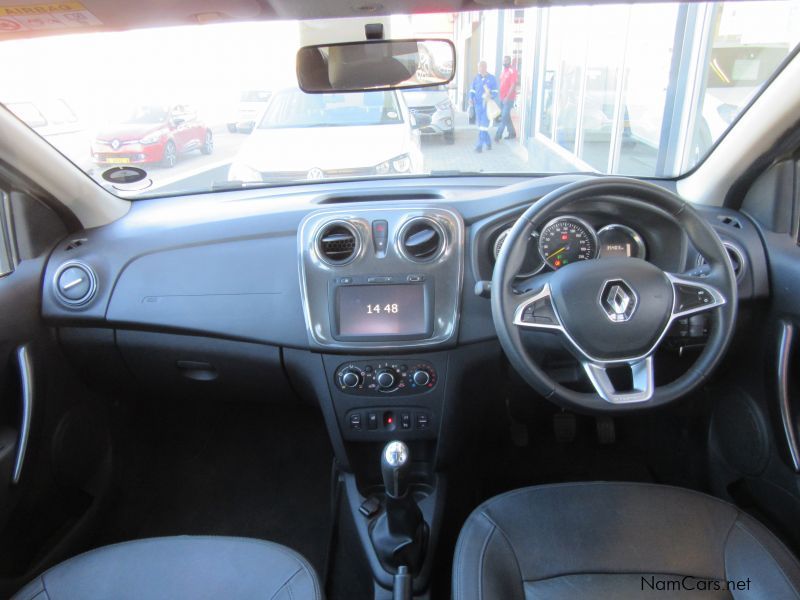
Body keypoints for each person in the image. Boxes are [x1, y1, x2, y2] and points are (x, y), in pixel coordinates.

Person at [469, 60, 499, 153]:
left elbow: (496, 91)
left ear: (485, 67)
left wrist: (490, 96)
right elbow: (472, 90)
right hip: (477, 106)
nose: (479, 69)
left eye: (481, 67)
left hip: (487, 105)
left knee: (483, 126)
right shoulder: (476, 78)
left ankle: (479, 146)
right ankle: (489, 143)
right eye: (478, 67)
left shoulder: (492, 78)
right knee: (481, 126)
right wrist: (470, 98)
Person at [495, 55, 518, 141]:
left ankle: (498, 135)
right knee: (507, 117)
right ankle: (512, 133)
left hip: (508, 99)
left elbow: (513, 85)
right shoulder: (504, 71)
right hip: (502, 98)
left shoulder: (512, 71)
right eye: (504, 61)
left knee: (504, 117)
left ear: (510, 61)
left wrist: (507, 97)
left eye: (507, 61)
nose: (505, 62)